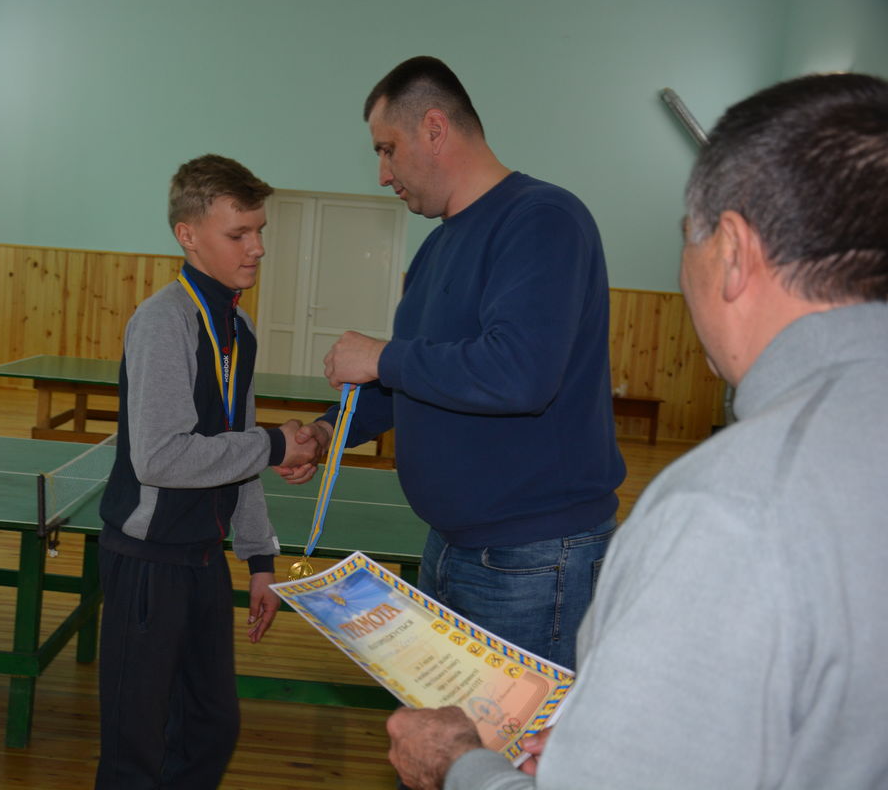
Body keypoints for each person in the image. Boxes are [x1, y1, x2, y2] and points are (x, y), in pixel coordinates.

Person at [386, 72, 888, 790]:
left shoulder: (724, 512)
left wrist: (458, 766)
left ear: (733, 253)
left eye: (686, 238)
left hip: (526, 559)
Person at [285, 56, 624, 671]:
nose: (382, 173)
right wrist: (329, 431)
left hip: (532, 556)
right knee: (444, 730)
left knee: (519, 736)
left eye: (387, 149)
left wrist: (381, 355)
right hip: (450, 545)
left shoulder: (542, 220)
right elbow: (416, 379)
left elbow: (518, 373)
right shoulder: (439, 244)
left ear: (435, 130)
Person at [95, 154, 317, 789]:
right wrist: (274, 446)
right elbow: (161, 458)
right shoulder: (162, 322)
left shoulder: (237, 325)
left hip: (203, 562)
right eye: (238, 234)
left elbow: (238, 448)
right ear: (187, 235)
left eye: (259, 231)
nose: (258, 248)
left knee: (210, 729)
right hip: (147, 562)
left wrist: (260, 558)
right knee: (136, 752)